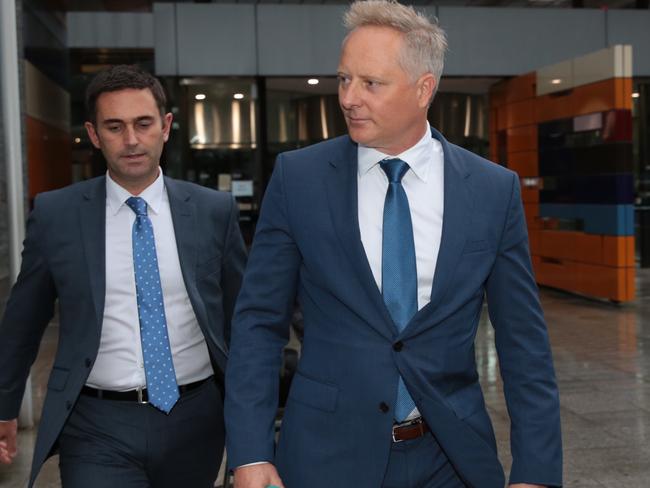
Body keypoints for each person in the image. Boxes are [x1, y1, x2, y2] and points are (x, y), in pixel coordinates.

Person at [224, 1, 562, 487]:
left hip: (450, 459)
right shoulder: (299, 179)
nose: (348, 98)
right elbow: (258, 322)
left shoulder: (493, 190)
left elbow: (523, 345)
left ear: (424, 89)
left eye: (371, 83)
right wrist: (251, 453)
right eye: (344, 79)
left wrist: (537, 472)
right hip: (325, 456)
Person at [0, 64, 246, 488]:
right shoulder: (57, 214)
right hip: (96, 423)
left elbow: (242, 319)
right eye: (114, 127)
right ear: (94, 135)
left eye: (143, 124)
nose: (131, 140)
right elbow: (24, 319)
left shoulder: (213, 211)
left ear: (165, 127)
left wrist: (252, 420)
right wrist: (4, 406)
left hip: (196, 419)